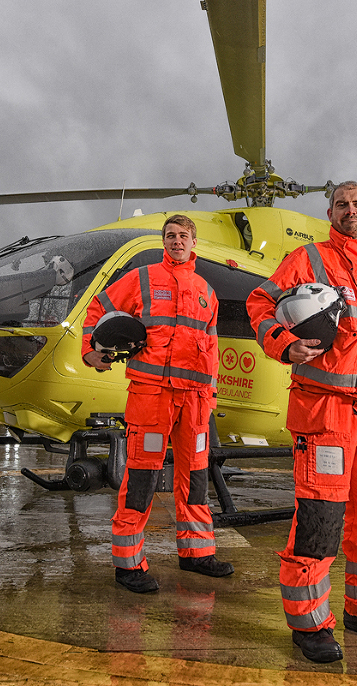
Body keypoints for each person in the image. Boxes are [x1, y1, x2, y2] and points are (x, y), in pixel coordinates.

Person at [246, 181, 357, 664]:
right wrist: (284, 344)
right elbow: (259, 304)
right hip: (326, 411)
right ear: (330, 211)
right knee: (320, 522)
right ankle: (311, 625)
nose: (350, 210)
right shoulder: (308, 259)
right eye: (342, 204)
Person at [82, 214, 234, 593]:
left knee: (196, 478)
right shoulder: (143, 278)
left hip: (196, 403)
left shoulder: (205, 291)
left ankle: (197, 554)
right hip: (153, 396)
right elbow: (98, 308)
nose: (176, 241)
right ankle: (128, 564)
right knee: (142, 477)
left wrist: (211, 396)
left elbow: (212, 348)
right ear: (163, 241)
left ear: (193, 242)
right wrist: (91, 351)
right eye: (170, 235)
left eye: (183, 235)